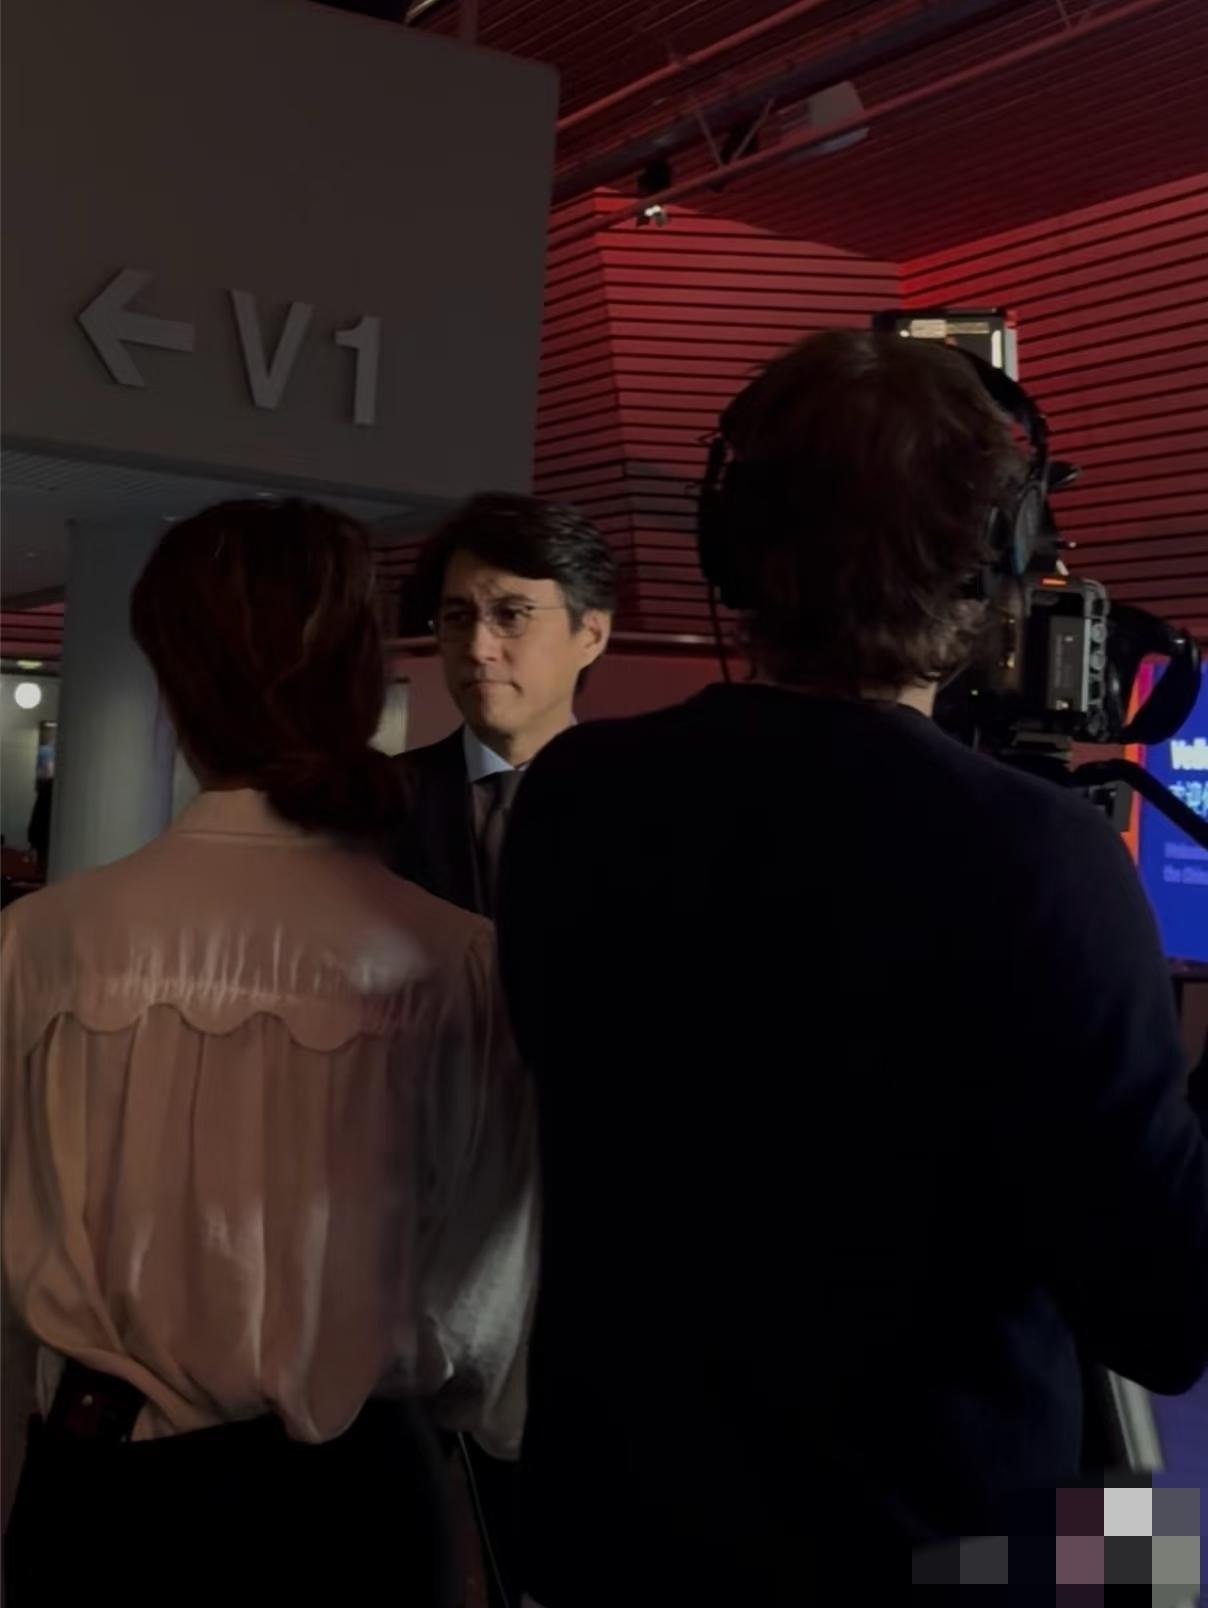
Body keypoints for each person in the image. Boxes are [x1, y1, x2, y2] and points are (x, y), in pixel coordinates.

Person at [497, 331, 1208, 1605]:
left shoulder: (573, 799)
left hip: (617, 1538)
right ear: (994, 561)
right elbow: (1165, 1315)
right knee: (1161, 1558)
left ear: (731, 545)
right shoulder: (1040, 860)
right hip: (936, 1553)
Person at [1, 499, 537, 1606]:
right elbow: (486, 1323)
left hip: (103, 1493)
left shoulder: (43, 945)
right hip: (361, 1503)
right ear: (359, 677)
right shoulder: (457, 962)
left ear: (173, 680)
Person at [390, 493, 616, 918]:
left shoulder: (648, 807)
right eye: (458, 618)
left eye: (511, 615)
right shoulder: (380, 800)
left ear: (591, 635)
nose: (478, 648)